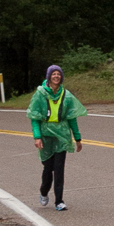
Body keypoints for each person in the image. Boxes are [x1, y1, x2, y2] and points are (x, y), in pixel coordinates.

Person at [27, 64, 86, 210]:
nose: (56, 76)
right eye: (53, 74)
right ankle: (44, 191)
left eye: (58, 74)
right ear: (49, 76)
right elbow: (35, 118)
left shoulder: (66, 95)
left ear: (61, 77)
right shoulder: (40, 94)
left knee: (59, 169)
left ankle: (59, 201)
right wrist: (37, 136)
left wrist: (77, 139)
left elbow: (72, 117)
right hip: (46, 136)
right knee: (48, 169)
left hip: (62, 136)